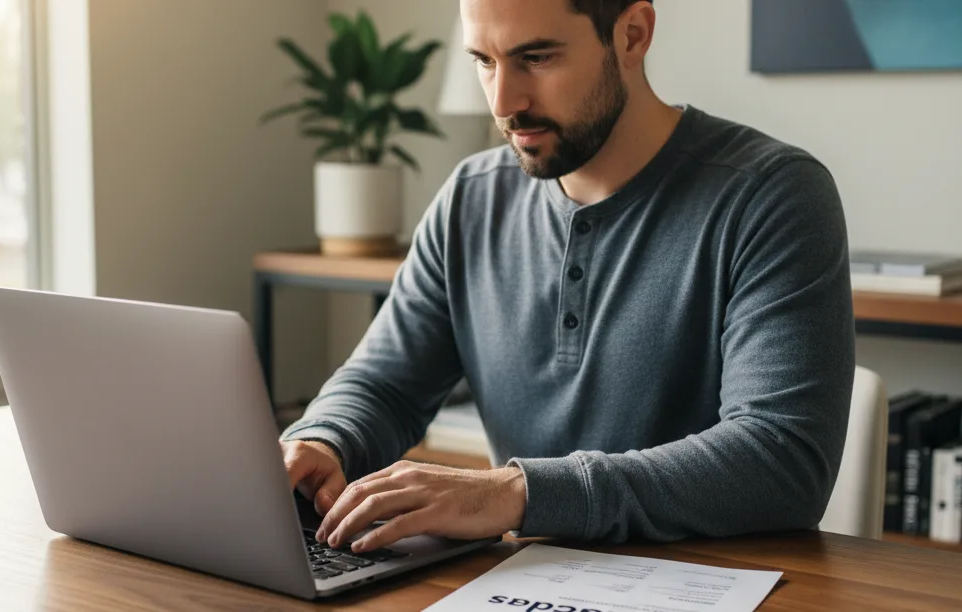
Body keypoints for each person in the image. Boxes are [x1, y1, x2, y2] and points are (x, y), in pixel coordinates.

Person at [280, 0, 854, 555]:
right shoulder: (470, 199)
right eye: (484, 60)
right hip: (526, 581)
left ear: (632, 35)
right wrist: (324, 440)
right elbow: (386, 386)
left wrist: (517, 493)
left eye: (536, 57)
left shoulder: (772, 195)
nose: (504, 102)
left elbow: (781, 459)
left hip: (717, 583)